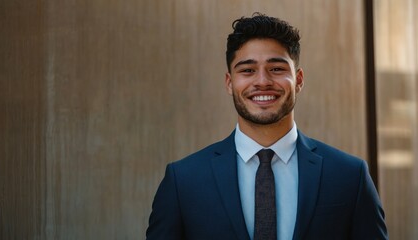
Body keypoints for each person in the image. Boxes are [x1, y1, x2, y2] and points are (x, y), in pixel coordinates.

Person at [146, 13, 388, 240]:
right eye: (248, 70)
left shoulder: (349, 176)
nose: (262, 81)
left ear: (299, 80)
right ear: (230, 83)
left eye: (276, 69)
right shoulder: (183, 181)